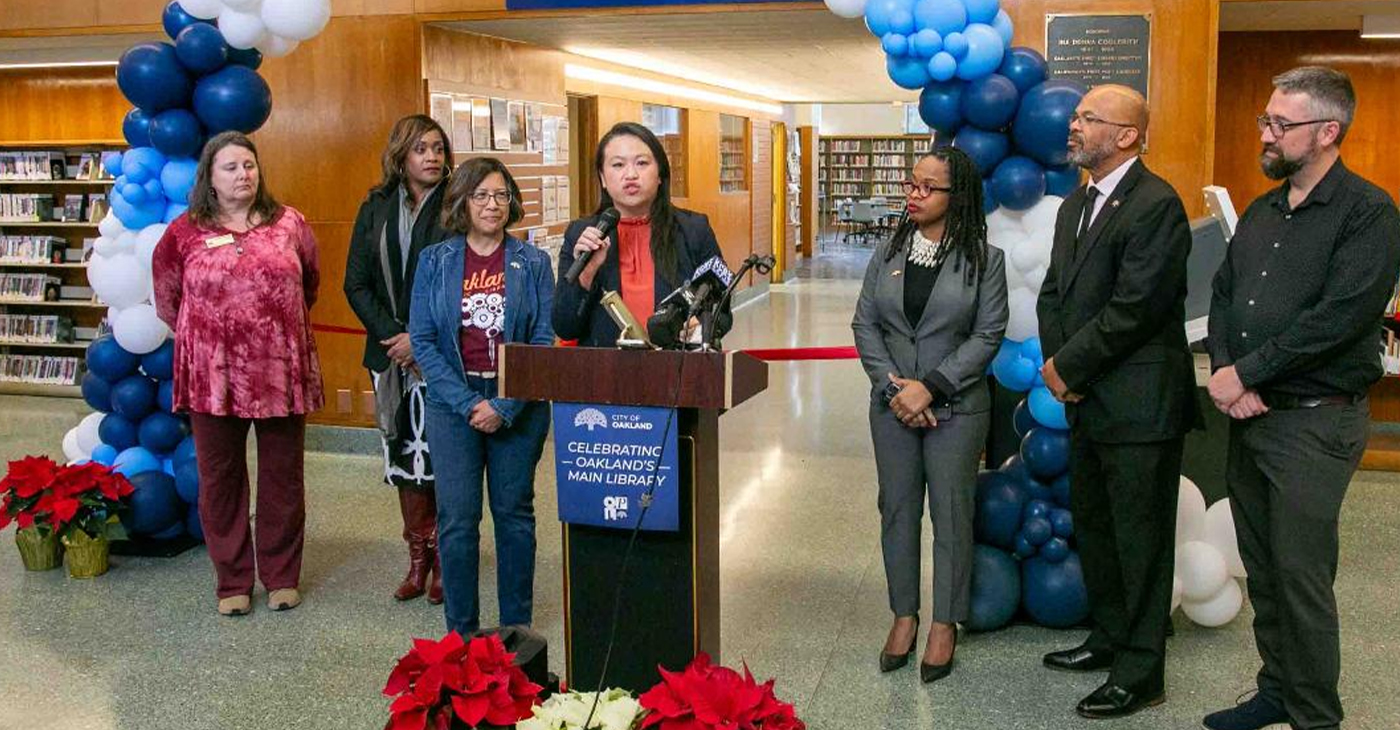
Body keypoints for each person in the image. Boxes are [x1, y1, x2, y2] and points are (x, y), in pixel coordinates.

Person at [1203, 66, 1400, 730]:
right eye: (1265, 119)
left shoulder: (1368, 212)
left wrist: (1249, 373)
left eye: (1279, 124)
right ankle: (1277, 693)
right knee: (1262, 570)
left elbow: (1340, 317)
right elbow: (1226, 295)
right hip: (1253, 417)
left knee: (1301, 581)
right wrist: (1232, 371)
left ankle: (1317, 717)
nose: (1266, 133)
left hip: (1315, 427)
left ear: (1326, 131)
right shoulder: (1265, 208)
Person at [1034, 84, 1198, 718]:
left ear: (1127, 135)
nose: (1074, 126)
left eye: (1088, 118)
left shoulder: (1157, 205)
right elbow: (1054, 295)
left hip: (1138, 407)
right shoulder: (1075, 204)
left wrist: (1069, 367)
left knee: (1141, 542)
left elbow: (1136, 309)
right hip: (1086, 399)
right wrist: (1059, 368)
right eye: (1076, 117)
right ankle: (1108, 639)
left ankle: (1142, 672)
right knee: (1097, 532)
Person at [851, 146, 1008, 684]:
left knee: (951, 514)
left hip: (957, 410)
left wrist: (931, 388)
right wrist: (896, 388)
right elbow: (865, 325)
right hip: (891, 407)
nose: (914, 195)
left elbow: (988, 335)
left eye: (928, 187)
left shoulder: (987, 260)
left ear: (956, 195)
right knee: (895, 510)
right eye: (912, 184)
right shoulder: (888, 251)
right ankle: (904, 615)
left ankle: (944, 621)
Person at [152, 131, 324, 617]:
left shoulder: (289, 222)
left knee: (282, 479)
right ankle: (232, 580)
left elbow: (309, 283)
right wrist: (212, 333)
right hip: (212, 376)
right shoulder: (183, 232)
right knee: (220, 480)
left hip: (279, 372)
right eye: (230, 167)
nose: (242, 175)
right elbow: (168, 299)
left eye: (248, 165)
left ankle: (281, 576)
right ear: (208, 176)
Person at [408, 157, 555, 635]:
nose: (492, 205)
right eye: (481, 196)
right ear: (462, 202)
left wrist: (505, 405)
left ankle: (517, 627)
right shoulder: (435, 260)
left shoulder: (533, 262)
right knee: (457, 519)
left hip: (518, 402)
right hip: (454, 403)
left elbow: (542, 341)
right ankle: (462, 633)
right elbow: (424, 341)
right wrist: (469, 403)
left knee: (514, 514)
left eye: (500, 196)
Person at [344, 114, 452, 604]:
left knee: (444, 458)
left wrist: (420, 340)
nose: (431, 157)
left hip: (442, 355)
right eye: (421, 149)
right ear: (401, 156)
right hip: (389, 357)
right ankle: (418, 557)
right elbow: (356, 282)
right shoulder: (377, 206)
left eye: (437, 148)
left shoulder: (457, 204)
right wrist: (394, 337)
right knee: (405, 457)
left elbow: (459, 283)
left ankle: (447, 562)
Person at [553, 121, 729, 347]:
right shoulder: (581, 234)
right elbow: (565, 327)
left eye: (642, 163)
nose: (631, 174)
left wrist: (702, 328)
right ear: (603, 178)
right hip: (605, 372)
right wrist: (585, 276)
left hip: (678, 369)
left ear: (659, 174)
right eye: (617, 165)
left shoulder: (694, 229)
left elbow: (723, 310)